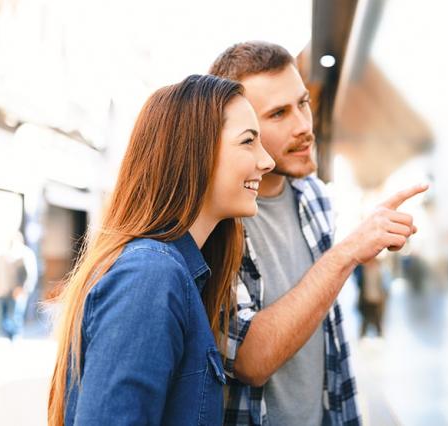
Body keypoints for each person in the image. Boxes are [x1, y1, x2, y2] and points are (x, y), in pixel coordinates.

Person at [209, 41, 427, 426]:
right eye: (278, 113)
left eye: (303, 103)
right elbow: (251, 361)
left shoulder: (315, 196)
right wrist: (347, 254)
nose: (303, 126)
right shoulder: (217, 220)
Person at [47, 74, 274, 425]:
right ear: (194, 151)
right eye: (248, 142)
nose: (266, 161)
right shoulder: (149, 276)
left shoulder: (173, 272)